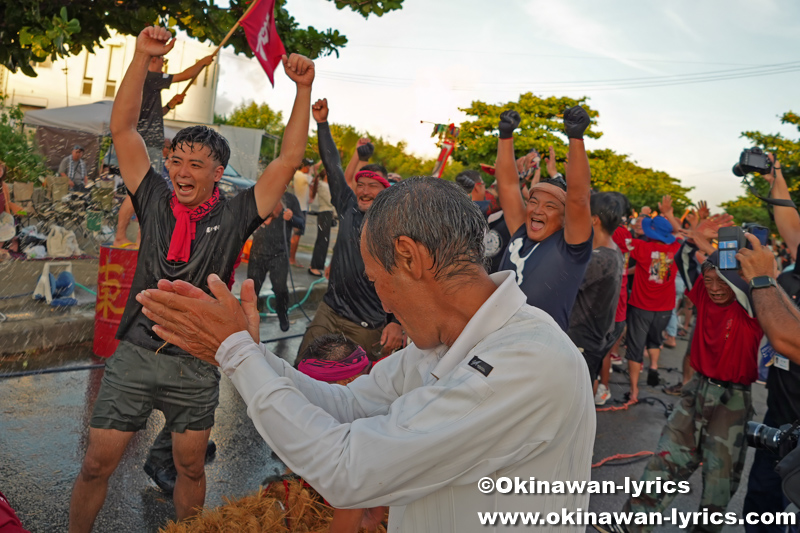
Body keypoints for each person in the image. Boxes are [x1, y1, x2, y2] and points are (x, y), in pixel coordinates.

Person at [137, 177, 596, 533]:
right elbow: (348, 406)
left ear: (409, 256)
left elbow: (347, 468)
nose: (384, 305)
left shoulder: (529, 361)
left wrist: (239, 353)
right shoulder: (445, 343)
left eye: (377, 281)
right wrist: (244, 354)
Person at [67, 25, 314, 533]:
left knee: (189, 467)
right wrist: (142, 57)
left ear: (217, 172)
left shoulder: (241, 210)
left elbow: (289, 159)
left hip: (199, 361)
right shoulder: (154, 196)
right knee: (96, 464)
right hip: (136, 352)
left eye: (194, 164)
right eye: (175, 159)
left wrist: (303, 90)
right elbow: (125, 131)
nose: (179, 170)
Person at [598, 222, 764, 533]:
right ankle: (630, 525)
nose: (713, 288)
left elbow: (744, 284)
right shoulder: (702, 293)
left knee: (719, 480)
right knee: (664, 461)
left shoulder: (750, 306)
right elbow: (686, 262)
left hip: (733, 401)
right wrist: (693, 238)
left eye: (721, 283)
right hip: (696, 390)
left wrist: (719, 253)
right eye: (709, 281)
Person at [296, 98, 403, 361]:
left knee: (352, 391)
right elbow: (333, 166)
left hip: (367, 325)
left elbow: (405, 278)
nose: (364, 191)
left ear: (384, 191)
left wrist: (398, 322)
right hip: (329, 311)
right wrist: (322, 124)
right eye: (361, 184)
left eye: (372, 186)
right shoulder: (347, 205)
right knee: (303, 367)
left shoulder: (395, 224)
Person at [740, 154, 800, 531]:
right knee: (760, 506)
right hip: (780, 416)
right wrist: (774, 174)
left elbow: (785, 339)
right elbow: (789, 219)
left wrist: (763, 280)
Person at [493, 107, 594, 331]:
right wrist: (505, 135)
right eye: (533, 201)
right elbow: (508, 185)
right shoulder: (520, 230)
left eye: (550, 206)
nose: (538, 210)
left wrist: (576, 137)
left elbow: (578, 199)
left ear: (565, 217)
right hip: (495, 341)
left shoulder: (571, 250)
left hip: (538, 350)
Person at [567, 192, 625, 397]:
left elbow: (562, 286)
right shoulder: (613, 250)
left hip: (583, 338)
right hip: (595, 337)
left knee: (574, 393)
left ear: (594, 219)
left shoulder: (598, 259)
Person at [623, 212, 681, 402]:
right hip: (664, 308)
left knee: (635, 348)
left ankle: (634, 391)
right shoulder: (676, 248)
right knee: (655, 340)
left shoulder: (641, 247)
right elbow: (679, 233)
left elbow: (621, 240)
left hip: (641, 306)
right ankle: (654, 366)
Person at [138, 50, 213, 172]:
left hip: (147, 143)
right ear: (153, 59)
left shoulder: (147, 81)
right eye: (163, 59)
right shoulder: (150, 77)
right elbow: (185, 76)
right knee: (148, 185)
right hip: (148, 143)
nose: (163, 63)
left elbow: (154, 114)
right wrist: (202, 62)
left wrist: (170, 105)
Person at [247, 192, 305, 332]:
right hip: (258, 251)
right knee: (252, 289)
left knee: (280, 288)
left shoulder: (290, 198)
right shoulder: (263, 192)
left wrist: (292, 218)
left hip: (279, 253)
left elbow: (301, 223)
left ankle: (283, 314)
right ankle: (248, 320)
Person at [455, 169, 511, 274]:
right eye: (483, 185)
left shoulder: (455, 211)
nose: (486, 189)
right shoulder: (480, 208)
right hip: (491, 277)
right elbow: (507, 196)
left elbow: (493, 192)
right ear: (477, 186)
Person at [308, 167, 334, 277]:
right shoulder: (323, 185)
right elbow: (330, 201)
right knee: (322, 242)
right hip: (324, 214)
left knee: (323, 241)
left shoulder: (327, 186)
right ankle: (314, 267)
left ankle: (317, 265)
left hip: (327, 214)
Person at [288, 158, 313, 267]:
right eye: (308, 166)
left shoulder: (297, 175)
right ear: (305, 166)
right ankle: (291, 259)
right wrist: (312, 171)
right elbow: (314, 179)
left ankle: (290, 257)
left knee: (294, 234)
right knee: (297, 235)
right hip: (300, 208)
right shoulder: (304, 177)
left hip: (297, 207)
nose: (309, 168)